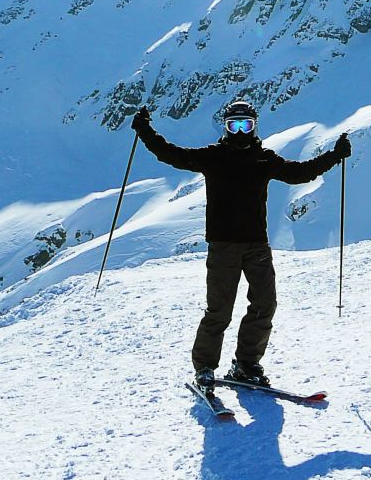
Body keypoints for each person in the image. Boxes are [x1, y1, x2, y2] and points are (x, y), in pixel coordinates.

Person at [131, 100, 351, 390]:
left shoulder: (263, 159)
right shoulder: (214, 157)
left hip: (256, 245)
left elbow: (301, 173)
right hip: (223, 246)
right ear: (225, 127)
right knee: (219, 310)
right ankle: (205, 368)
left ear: (254, 126)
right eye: (233, 125)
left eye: (245, 125)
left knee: (264, 304)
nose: (239, 131)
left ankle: (246, 364)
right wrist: (145, 130)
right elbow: (171, 154)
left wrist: (335, 155)